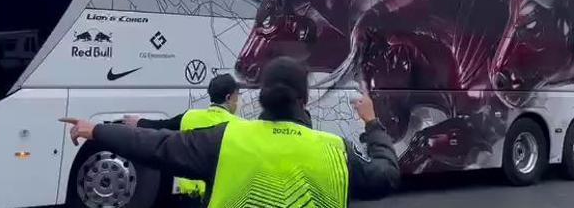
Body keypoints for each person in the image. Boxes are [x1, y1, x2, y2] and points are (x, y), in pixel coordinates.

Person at [61, 56, 400, 206]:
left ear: (262, 96)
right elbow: (384, 176)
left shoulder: (226, 139)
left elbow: (155, 144)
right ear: (305, 99)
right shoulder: (334, 150)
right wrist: (372, 124)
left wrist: (98, 130)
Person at [120, 73, 241, 207]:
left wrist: (139, 122)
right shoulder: (237, 126)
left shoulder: (189, 116)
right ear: (228, 97)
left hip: (183, 197)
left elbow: (160, 127)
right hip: (212, 198)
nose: (238, 101)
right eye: (237, 97)